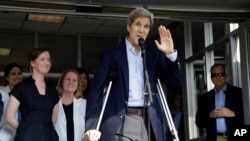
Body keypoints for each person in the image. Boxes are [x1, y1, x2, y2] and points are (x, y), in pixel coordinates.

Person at [84, 7, 182, 141]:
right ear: (128, 27)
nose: (141, 30)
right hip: (120, 120)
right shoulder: (111, 55)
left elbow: (176, 81)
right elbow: (96, 90)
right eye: (138, 24)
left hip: (149, 121)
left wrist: (170, 54)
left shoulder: (154, 55)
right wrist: (91, 126)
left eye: (146, 26)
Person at [4, 48, 59, 141]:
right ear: (32, 63)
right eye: (42, 59)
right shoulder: (21, 87)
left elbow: (54, 118)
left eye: (48, 59)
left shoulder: (52, 89)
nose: (47, 62)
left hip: (49, 136)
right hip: (27, 136)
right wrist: (25, 129)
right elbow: (9, 116)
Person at [195, 64, 244, 141]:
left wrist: (233, 114)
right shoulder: (204, 98)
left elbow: (247, 116)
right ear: (211, 78)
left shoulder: (239, 93)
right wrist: (209, 116)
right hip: (216, 138)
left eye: (221, 74)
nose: (218, 77)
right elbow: (199, 122)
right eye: (214, 75)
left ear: (225, 76)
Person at [53, 68, 86, 141]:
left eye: (74, 80)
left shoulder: (84, 104)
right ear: (61, 82)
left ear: (78, 84)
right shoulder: (53, 102)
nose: (71, 82)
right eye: (68, 79)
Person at [0, 63, 23, 141]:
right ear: (7, 77)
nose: (17, 76)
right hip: (4, 133)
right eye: (13, 74)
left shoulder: (28, 93)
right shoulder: (1, 93)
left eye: (19, 73)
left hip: (23, 133)